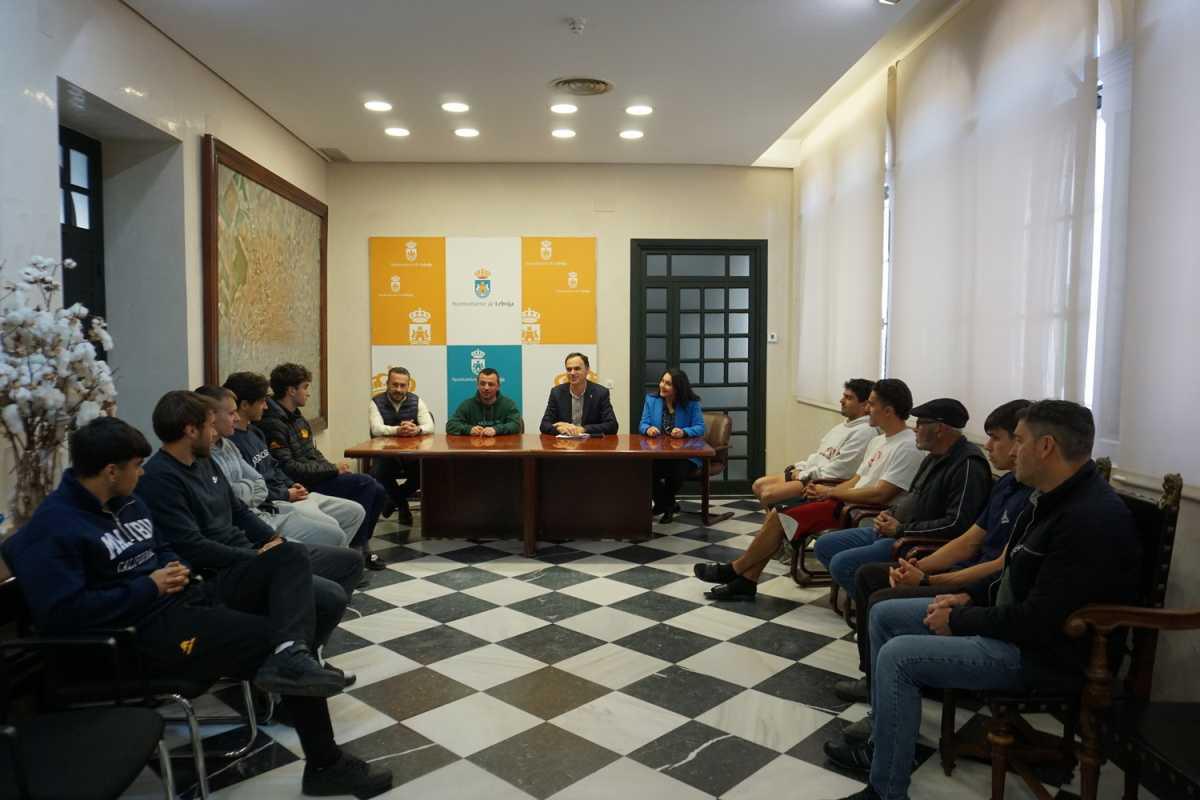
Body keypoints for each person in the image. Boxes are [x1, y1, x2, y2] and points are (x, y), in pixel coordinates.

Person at [1, 416, 393, 797]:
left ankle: (293, 658)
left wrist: (176, 570)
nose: (142, 474)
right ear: (109, 471)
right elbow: (65, 615)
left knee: (287, 561)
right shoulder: (54, 528)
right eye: (136, 467)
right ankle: (325, 763)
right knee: (279, 641)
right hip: (135, 639)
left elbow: (164, 547)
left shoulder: (128, 501)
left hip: (184, 601)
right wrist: (148, 587)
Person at [821, 400, 1140, 800]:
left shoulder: (1087, 518)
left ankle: (886, 790)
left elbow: (1037, 621)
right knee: (885, 613)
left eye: (1018, 440)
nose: (1009, 450)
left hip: (1042, 654)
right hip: (1010, 622)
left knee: (898, 656)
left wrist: (960, 618)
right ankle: (885, 739)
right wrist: (960, 595)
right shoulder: (1049, 497)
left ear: (1046, 447)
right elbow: (1009, 573)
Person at [832, 400, 1034, 739]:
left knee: (878, 595)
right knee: (870, 577)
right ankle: (874, 679)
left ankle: (887, 690)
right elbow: (971, 539)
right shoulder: (1004, 483)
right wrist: (915, 567)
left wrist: (925, 574)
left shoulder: (975, 468)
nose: (988, 446)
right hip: (933, 554)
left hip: (975, 586)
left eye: (998, 438)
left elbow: (977, 545)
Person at [136, 391, 363, 657]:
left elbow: (239, 511)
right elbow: (192, 546)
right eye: (209, 426)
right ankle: (292, 656)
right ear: (190, 430)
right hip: (219, 572)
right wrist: (257, 556)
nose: (214, 433)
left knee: (348, 562)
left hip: (249, 553)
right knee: (328, 594)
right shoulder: (161, 478)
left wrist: (271, 541)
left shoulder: (205, 461)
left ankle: (303, 653)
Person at [693, 378, 923, 601]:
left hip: (861, 509)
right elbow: (855, 480)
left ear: (889, 411)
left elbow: (881, 494)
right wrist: (823, 490)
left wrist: (830, 492)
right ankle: (746, 581)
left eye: (872, 404)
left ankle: (736, 570)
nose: (867, 409)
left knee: (780, 517)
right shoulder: (880, 440)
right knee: (779, 514)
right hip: (844, 500)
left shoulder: (906, 446)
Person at [812, 397, 993, 595]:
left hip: (917, 542)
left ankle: (879, 604)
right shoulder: (933, 456)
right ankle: (871, 602)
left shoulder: (968, 465)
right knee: (824, 545)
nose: (914, 429)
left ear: (940, 429)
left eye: (920, 424)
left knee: (841, 564)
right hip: (896, 530)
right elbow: (912, 497)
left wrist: (900, 529)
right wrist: (889, 513)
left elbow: (956, 524)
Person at [258, 363, 388, 570]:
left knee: (379, 490)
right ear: (292, 390)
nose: (308, 394)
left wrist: (331, 467)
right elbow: (289, 467)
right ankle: (355, 550)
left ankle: (360, 542)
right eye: (306, 387)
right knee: (365, 484)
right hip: (300, 484)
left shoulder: (297, 417)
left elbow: (312, 453)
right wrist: (333, 470)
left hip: (317, 476)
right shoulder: (272, 423)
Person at [222, 371, 367, 548]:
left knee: (355, 512)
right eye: (262, 401)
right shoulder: (232, 442)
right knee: (333, 530)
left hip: (291, 491)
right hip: (274, 503)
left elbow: (275, 467)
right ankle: (328, 565)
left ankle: (338, 560)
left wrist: (292, 485)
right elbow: (254, 489)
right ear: (245, 405)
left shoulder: (255, 432)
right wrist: (286, 493)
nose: (266, 407)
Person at [195, 385, 351, 549]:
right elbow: (232, 499)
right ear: (210, 417)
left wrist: (288, 485)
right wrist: (273, 491)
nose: (236, 418)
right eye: (231, 413)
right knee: (331, 534)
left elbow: (260, 481)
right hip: (261, 513)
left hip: (269, 505)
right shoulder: (208, 454)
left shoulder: (230, 444)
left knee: (350, 515)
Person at [752, 378, 876, 508]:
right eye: (843, 396)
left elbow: (838, 471)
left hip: (822, 482)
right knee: (758, 485)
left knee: (767, 494)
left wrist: (801, 475)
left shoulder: (865, 432)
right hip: (809, 474)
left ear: (865, 405)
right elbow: (820, 456)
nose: (841, 400)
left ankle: (780, 524)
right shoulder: (841, 427)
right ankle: (777, 523)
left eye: (849, 398)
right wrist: (800, 467)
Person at [368, 366, 434, 526]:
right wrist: (398, 430)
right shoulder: (375, 402)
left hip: (411, 453)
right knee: (378, 473)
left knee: (426, 472)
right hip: (386, 454)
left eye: (402, 385)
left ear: (408, 385)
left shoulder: (417, 401)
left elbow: (430, 426)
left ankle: (393, 501)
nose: (398, 389)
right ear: (387, 383)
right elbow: (376, 429)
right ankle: (403, 506)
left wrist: (417, 429)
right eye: (394, 384)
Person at [639, 368, 705, 524]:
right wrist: (648, 429)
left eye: (668, 383)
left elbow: (700, 427)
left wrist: (684, 432)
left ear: (678, 388)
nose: (662, 385)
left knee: (677, 471)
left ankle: (664, 506)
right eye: (662, 381)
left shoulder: (691, 404)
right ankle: (666, 505)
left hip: (685, 454)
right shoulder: (652, 399)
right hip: (659, 452)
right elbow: (643, 423)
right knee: (645, 469)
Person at [539, 352, 618, 436]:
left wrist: (583, 429)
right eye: (569, 369)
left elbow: (612, 426)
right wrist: (559, 428)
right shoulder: (557, 393)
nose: (572, 373)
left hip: (590, 445)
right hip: (563, 444)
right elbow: (544, 425)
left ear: (587, 370)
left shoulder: (600, 393)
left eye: (577, 368)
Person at [445, 367, 522, 436]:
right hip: (474, 449)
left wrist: (496, 430)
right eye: (482, 383)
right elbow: (450, 425)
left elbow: (516, 425)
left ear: (498, 386)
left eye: (491, 384)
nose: (486, 388)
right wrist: (469, 429)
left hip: (501, 449)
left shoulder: (508, 404)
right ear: (477, 385)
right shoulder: (467, 405)